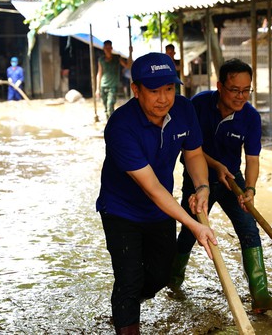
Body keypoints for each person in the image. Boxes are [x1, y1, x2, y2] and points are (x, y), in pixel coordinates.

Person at [96, 52, 217, 334]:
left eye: (169, 89)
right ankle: (126, 315)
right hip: (121, 210)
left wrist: (202, 187)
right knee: (129, 278)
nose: (163, 98)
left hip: (160, 210)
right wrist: (194, 225)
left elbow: (195, 154)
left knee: (160, 275)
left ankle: (125, 304)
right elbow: (151, 188)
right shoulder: (121, 126)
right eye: (154, 91)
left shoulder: (185, 110)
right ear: (135, 90)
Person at [169, 58, 272, 313]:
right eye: (235, 90)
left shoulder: (250, 117)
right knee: (191, 233)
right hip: (198, 179)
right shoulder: (198, 105)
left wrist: (250, 190)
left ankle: (260, 296)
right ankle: (173, 281)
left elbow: (253, 159)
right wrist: (215, 166)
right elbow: (188, 148)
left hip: (232, 178)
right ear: (220, 86)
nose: (241, 96)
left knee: (249, 228)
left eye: (246, 90)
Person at [96, 40, 131, 119]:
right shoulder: (101, 60)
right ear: (103, 48)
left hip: (113, 86)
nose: (108, 49)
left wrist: (130, 53)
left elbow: (128, 66)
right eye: (106, 47)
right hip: (103, 85)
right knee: (106, 108)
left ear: (111, 48)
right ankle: (109, 123)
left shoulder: (117, 58)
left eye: (109, 47)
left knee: (110, 105)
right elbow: (99, 73)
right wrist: (97, 89)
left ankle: (112, 124)